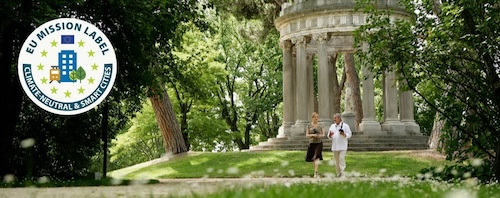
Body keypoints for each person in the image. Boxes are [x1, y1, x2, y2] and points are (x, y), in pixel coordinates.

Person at [328, 113, 352, 177]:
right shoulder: (332, 126)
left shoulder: (345, 126)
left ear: (339, 118)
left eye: (335, 118)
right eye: (334, 118)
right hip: (335, 146)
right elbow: (329, 135)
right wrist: (330, 135)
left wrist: (344, 134)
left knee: (341, 158)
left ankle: (342, 172)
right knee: (336, 161)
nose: (334, 119)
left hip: (343, 146)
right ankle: (338, 173)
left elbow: (349, 134)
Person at [305, 112, 324, 178]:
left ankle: (316, 172)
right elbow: (307, 135)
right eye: (315, 117)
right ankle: (315, 170)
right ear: (312, 118)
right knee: (313, 158)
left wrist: (319, 136)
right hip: (312, 143)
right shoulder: (309, 126)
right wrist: (313, 135)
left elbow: (323, 134)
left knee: (317, 157)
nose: (316, 118)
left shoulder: (320, 125)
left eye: (317, 117)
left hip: (319, 143)